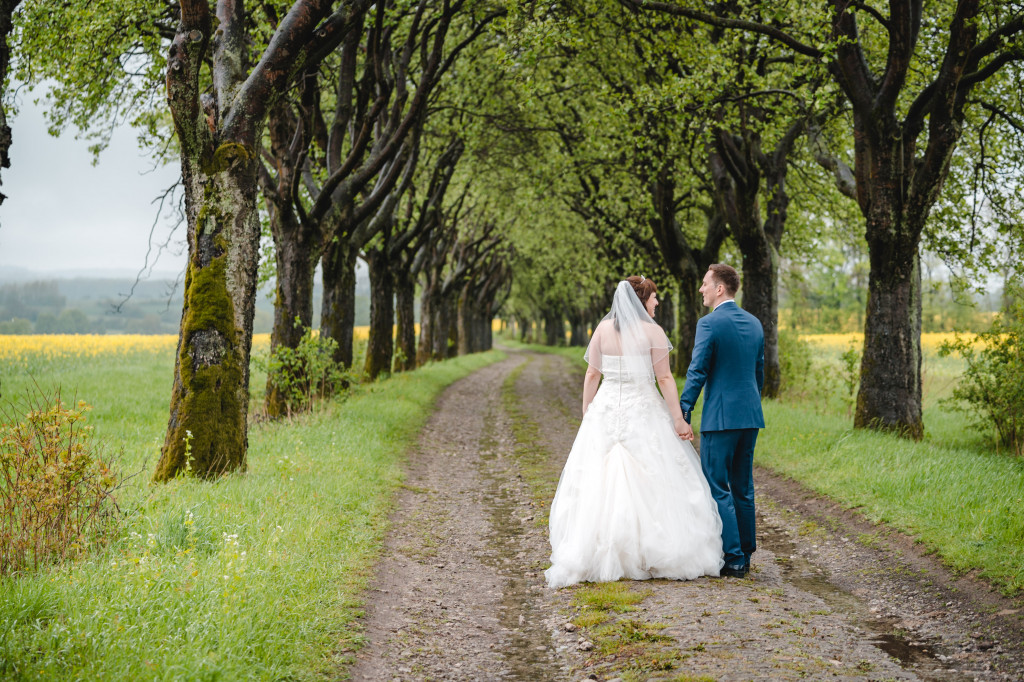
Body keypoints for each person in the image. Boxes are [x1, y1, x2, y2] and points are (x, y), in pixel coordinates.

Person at [545, 276, 724, 589]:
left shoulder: (602, 330)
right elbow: (665, 379)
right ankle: (652, 550)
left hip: (606, 408)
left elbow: (592, 373)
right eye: (654, 298)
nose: (657, 303)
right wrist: (679, 419)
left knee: (596, 476)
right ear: (642, 301)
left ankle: (598, 550)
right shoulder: (652, 332)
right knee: (657, 472)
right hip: (643, 407)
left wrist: (588, 409)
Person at [678, 264, 765, 579]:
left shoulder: (709, 324)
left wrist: (684, 409)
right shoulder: (755, 324)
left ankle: (734, 558)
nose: (701, 289)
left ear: (719, 289)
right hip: (750, 416)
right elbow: (759, 373)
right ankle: (747, 552)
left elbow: (697, 370)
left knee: (717, 486)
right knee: (743, 485)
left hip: (720, 419)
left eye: (705, 284)